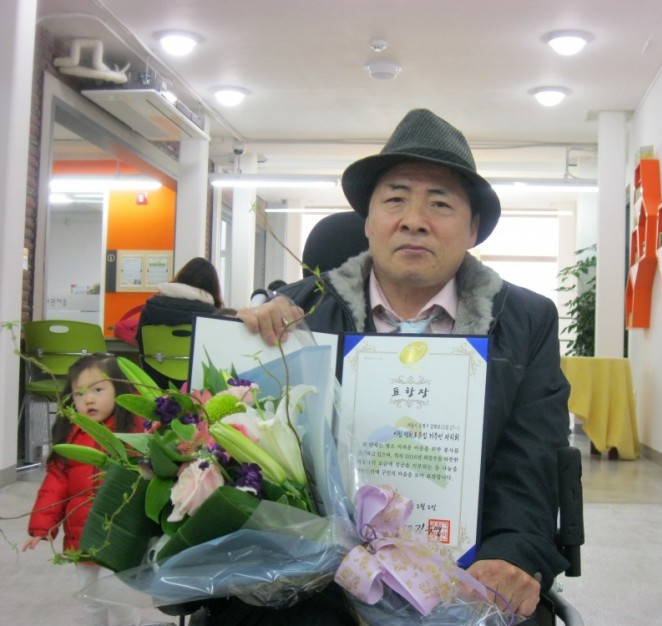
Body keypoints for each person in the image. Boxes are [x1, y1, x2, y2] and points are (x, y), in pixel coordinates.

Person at [234, 109, 571, 625]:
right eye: (395, 199)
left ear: (473, 229)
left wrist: (512, 551)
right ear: (367, 222)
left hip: (467, 566)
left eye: (440, 202)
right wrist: (247, 342)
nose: (414, 219)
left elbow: (530, 458)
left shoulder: (527, 321)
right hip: (317, 572)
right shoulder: (298, 314)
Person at [24, 353, 145, 626]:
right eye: (79, 394)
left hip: (118, 537)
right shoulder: (71, 439)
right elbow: (54, 486)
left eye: (98, 390)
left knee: (117, 597)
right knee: (91, 599)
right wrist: (42, 526)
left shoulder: (133, 433)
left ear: (119, 390)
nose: (88, 399)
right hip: (82, 536)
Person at [137, 256, 223, 387]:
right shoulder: (213, 317)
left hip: (155, 385)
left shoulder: (150, 309)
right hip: (199, 388)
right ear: (213, 288)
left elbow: (142, 346)